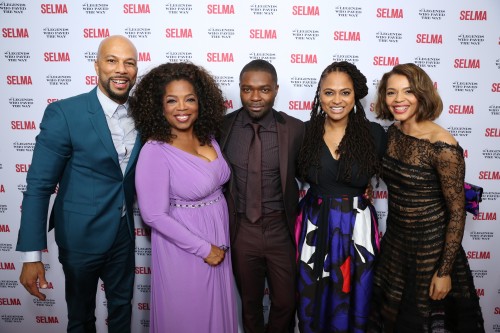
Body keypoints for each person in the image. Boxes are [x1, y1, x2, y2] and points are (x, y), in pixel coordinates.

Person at [16, 35, 140, 332]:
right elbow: (38, 187)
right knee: (81, 317)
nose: (121, 69)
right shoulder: (65, 113)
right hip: (79, 237)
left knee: (122, 311)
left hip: (123, 235)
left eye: (129, 62)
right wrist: (32, 256)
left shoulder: (144, 114)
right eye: (112, 61)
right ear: (97, 66)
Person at [368, 63, 484, 332]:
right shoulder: (393, 133)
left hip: (431, 252)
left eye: (408, 91)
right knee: (390, 321)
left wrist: (443, 272)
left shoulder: (442, 145)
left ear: (422, 94)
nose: (398, 100)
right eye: (391, 92)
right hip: (395, 246)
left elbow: (457, 212)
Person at [130, 62, 237, 333]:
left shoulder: (208, 137)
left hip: (218, 239)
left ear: (201, 102)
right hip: (186, 247)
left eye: (189, 99)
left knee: (216, 312)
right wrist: (203, 248)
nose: (182, 107)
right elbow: (153, 214)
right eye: (172, 100)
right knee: (190, 317)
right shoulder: (155, 150)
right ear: (159, 106)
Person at [295, 61, 387, 333]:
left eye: (345, 93)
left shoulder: (374, 135)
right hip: (314, 224)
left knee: (358, 296)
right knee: (312, 298)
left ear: (355, 95)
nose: (337, 100)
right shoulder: (304, 132)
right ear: (319, 95)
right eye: (329, 92)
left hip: (357, 228)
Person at [220, 59, 305, 333]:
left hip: (280, 228)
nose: (255, 98)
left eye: (264, 90)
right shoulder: (223, 128)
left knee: (286, 302)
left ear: (276, 90)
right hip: (242, 229)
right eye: (247, 90)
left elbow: (315, 169)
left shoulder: (295, 129)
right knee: (250, 303)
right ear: (240, 89)